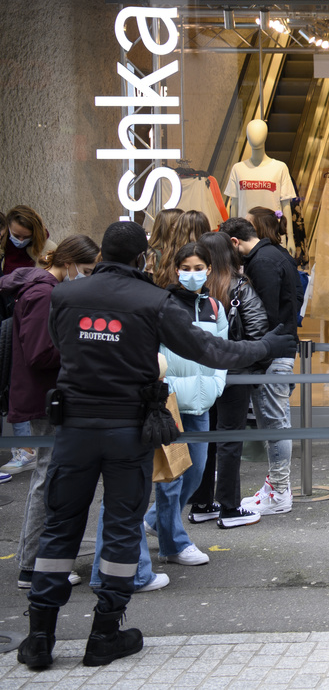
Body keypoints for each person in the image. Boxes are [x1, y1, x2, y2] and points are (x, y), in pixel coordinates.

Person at [17, 221, 295, 672]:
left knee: (60, 527)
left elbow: (61, 347)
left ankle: (39, 639)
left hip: (73, 429)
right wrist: (266, 343)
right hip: (129, 428)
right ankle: (105, 633)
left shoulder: (65, 296)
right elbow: (212, 351)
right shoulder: (153, 301)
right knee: (123, 527)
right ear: (143, 259)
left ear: (102, 252)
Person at [1, 234, 99, 589]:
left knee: (50, 475)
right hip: (47, 398)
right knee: (48, 477)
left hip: (45, 396)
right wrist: (83, 348)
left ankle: (37, 562)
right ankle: (35, 565)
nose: (85, 277)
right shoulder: (44, 293)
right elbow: (41, 353)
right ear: (70, 262)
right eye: (85, 270)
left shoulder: (41, 287)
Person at [141, 242, 228, 567]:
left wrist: (217, 384)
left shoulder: (214, 308)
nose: (192, 274)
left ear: (208, 270)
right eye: (186, 268)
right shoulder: (164, 305)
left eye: (198, 268)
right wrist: (167, 386)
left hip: (202, 402)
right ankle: (173, 543)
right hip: (171, 402)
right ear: (176, 270)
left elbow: (222, 349)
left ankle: (156, 522)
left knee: (195, 473)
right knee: (171, 477)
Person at [220, 215, 302, 515]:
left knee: (275, 421)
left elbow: (263, 314)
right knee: (275, 420)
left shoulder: (261, 262)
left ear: (234, 241)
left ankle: (280, 491)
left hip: (272, 352)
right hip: (281, 347)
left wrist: (260, 353)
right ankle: (277, 487)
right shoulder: (277, 254)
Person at [186, 231, 267, 529]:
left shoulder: (193, 291)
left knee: (205, 438)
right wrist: (252, 364)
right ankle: (230, 508)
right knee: (230, 438)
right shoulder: (238, 286)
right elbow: (258, 329)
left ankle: (202, 503)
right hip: (234, 373)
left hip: (201, 373)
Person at [1, 205, 50, 476]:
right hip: (6, 318)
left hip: (22, 319)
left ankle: (25, 449)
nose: (17, 239)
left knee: (18, 383)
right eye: (14, 234)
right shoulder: (3, 247)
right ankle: (22, 448)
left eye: (23, 236)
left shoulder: (45, 249)